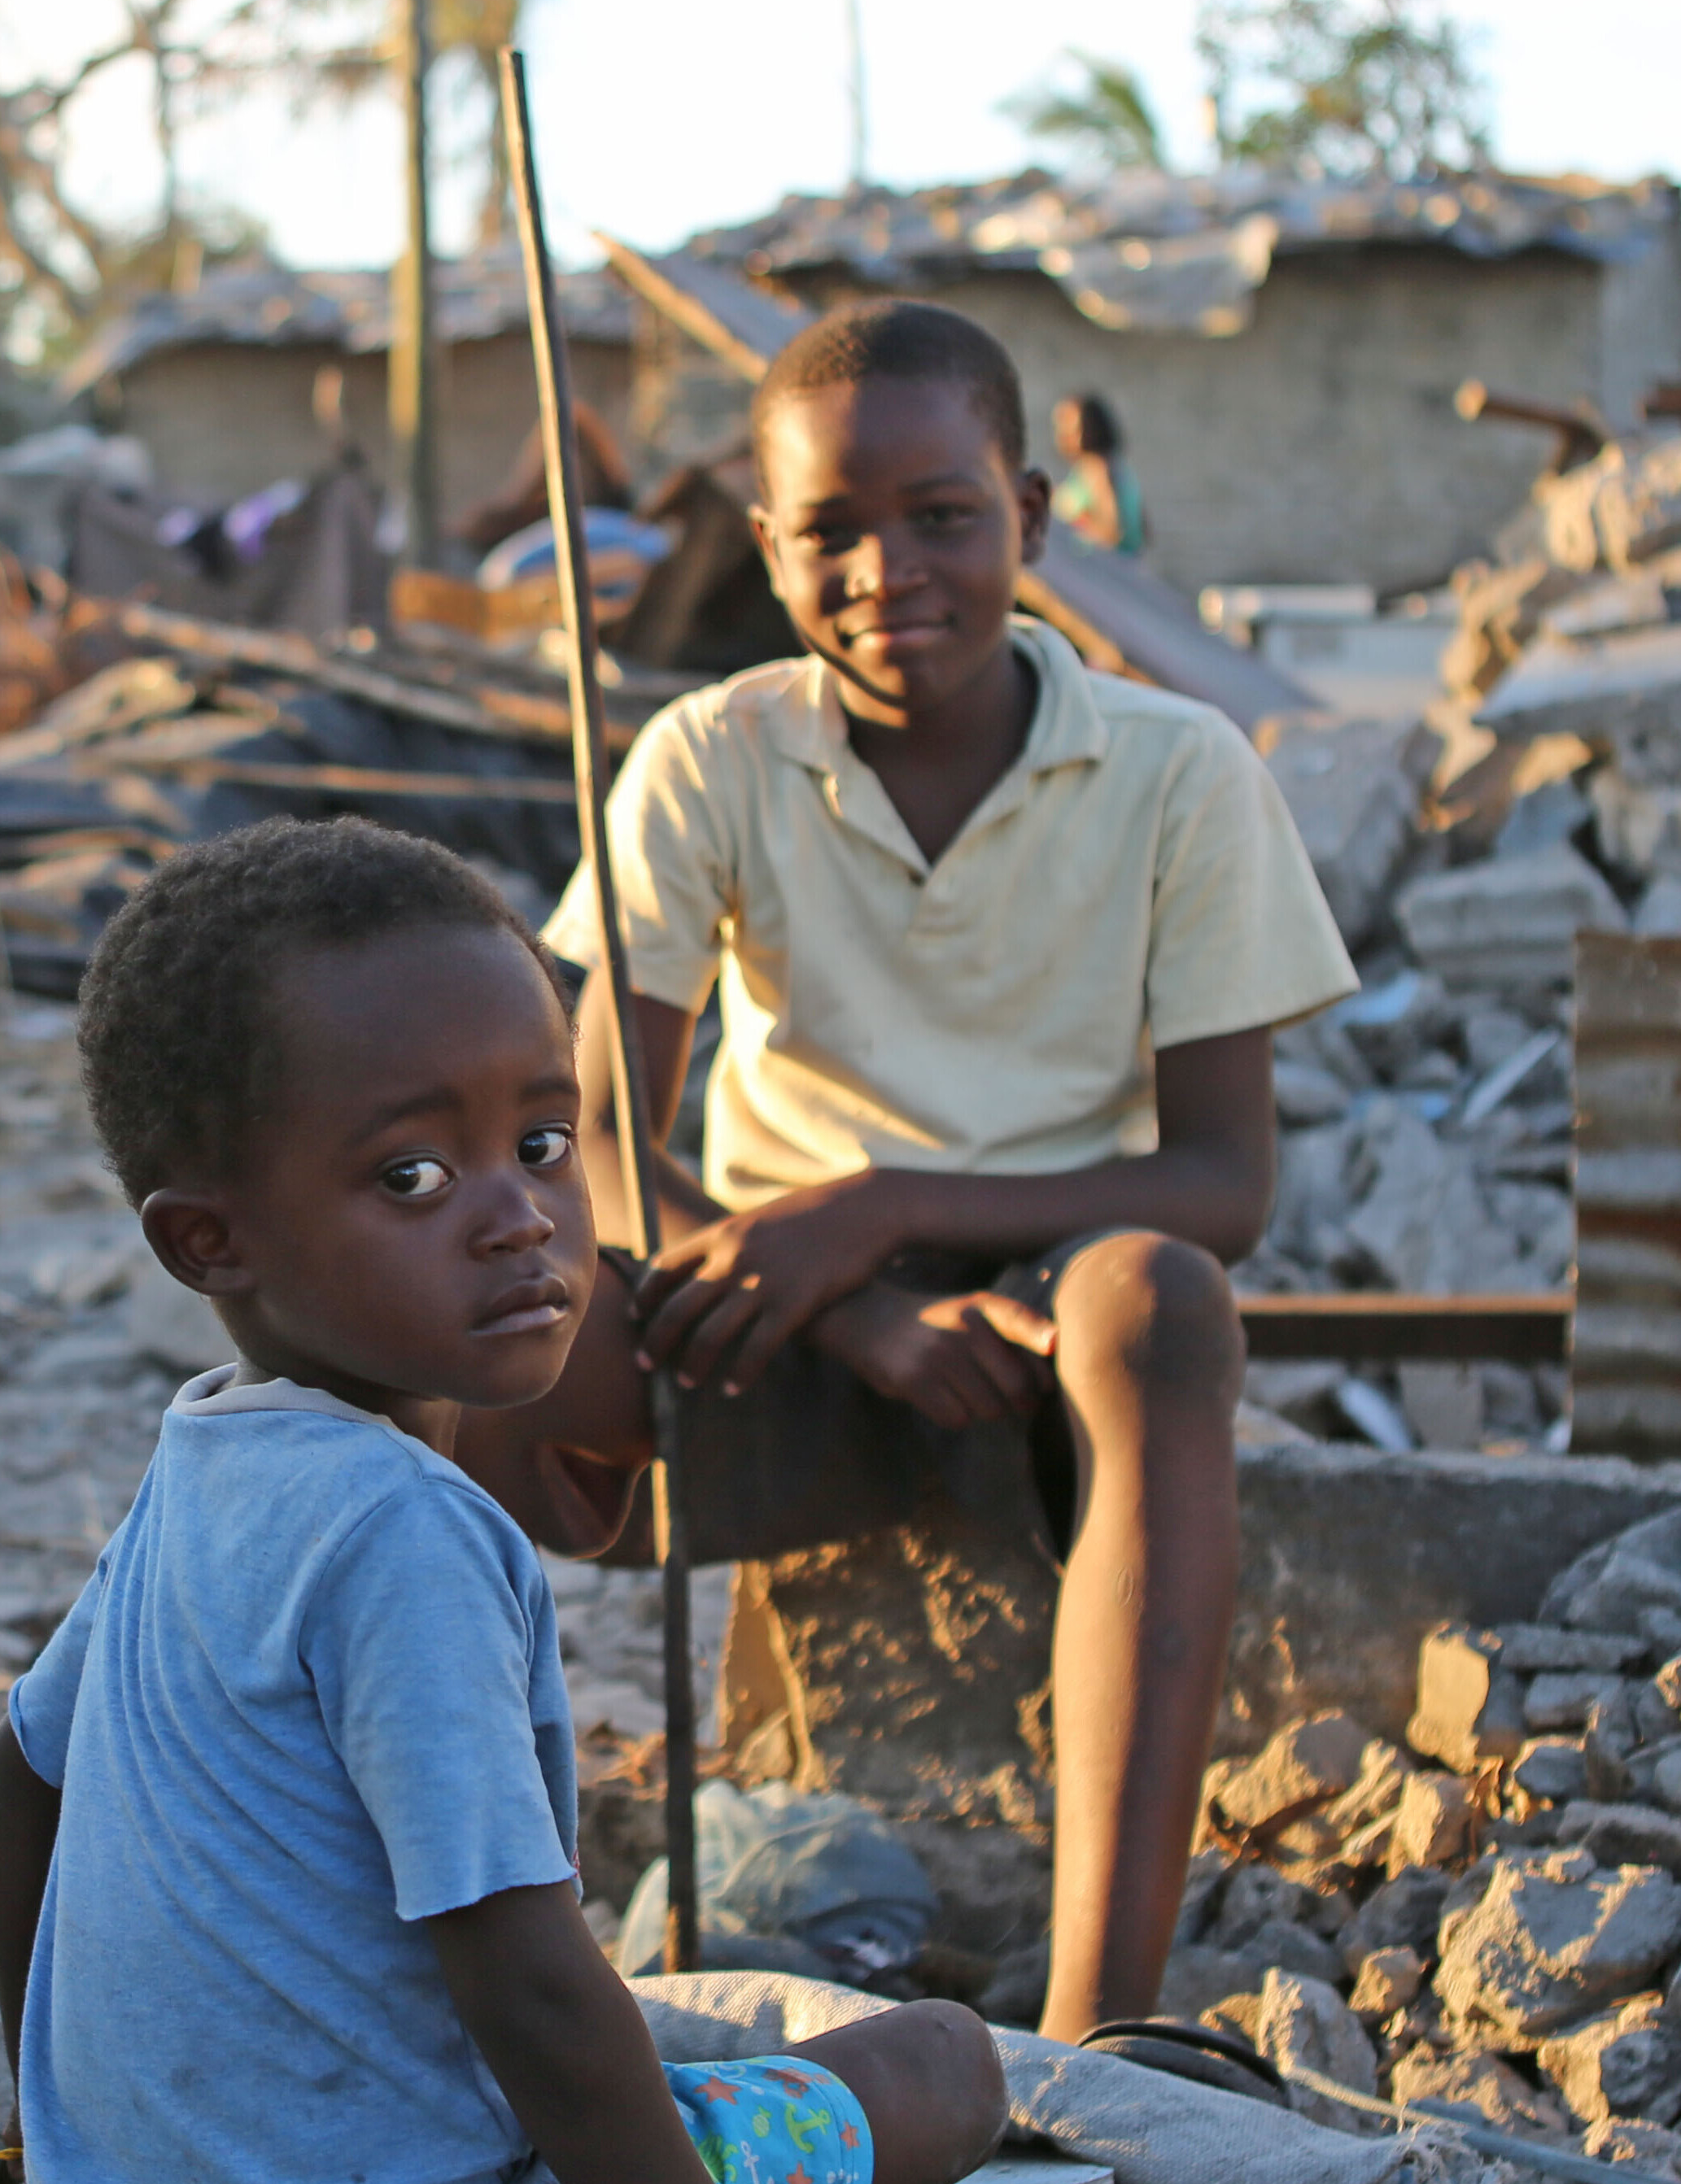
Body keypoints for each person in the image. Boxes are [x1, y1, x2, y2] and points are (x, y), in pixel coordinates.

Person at [0, 817, 1003, 2184]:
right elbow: (521, 1979)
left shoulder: (207, 1460)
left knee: (677, 2041)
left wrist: (66, 2154)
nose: (519, 1214)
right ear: (208, 1240)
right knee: (941, 2069)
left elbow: (21, 1776)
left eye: (543, 1141)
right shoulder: (404, 1532)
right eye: (411, 1173)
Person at [455, 299, 1357, 2044]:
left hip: (1035, 1307)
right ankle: (471, 1944)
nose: (888, 571)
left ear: (1029, 509)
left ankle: (1105, 2027)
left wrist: (881, 1213)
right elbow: (604, 1139)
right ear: (770, 546)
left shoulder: (1178, 772)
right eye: (829, 534)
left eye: (941, 515)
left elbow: (1224, 1181)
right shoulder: (710, 754)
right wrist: (850, 1301)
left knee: (1159, 1304)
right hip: (764, 1306)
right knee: (446, 1342)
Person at [1050, 392, 1146, 556]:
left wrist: (1071, 525)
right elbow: (1144, 531)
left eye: (1068, 427)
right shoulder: (1117, 466)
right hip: (1127, 568)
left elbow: (1113, 533)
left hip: (1099, 571)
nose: (1061, 436)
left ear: (1088, 429)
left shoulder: (1095, 470)